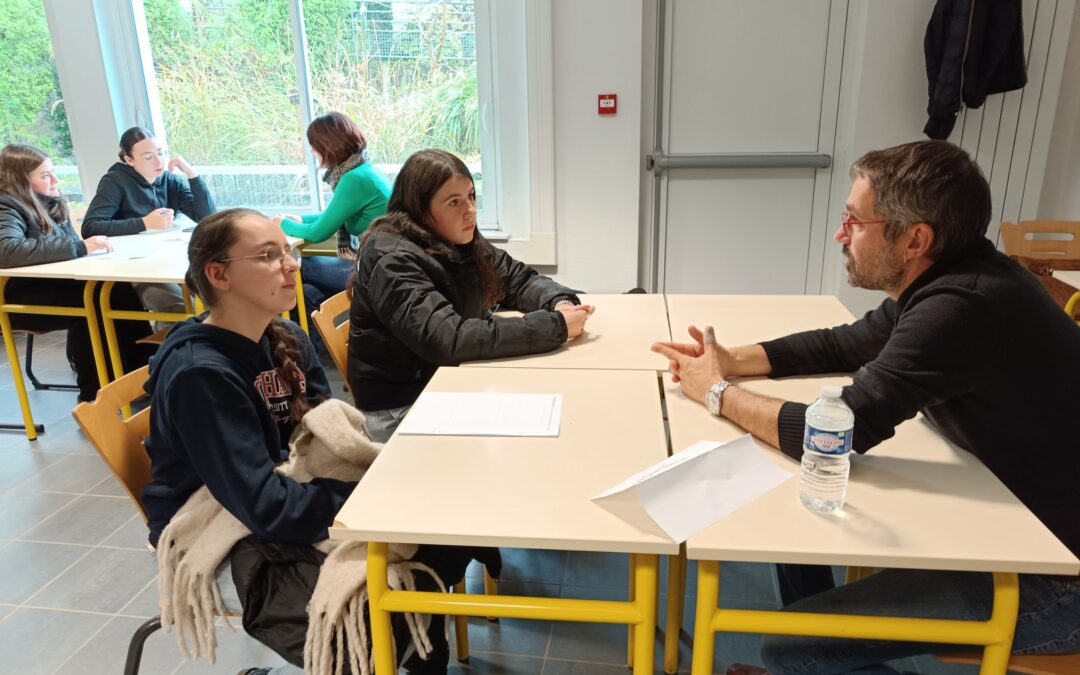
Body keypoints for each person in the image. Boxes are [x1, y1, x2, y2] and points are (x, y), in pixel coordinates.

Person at [652, 140, 1080, 675]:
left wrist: (715, 393)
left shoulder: (960, 308)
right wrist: (727, 360)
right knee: (789, 531)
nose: (841, 234)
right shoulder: (952, 275)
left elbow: (832, 435)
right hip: (1017, 522)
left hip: (1057, 580)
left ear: (914, 240)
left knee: (790, 647)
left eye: (854, 221)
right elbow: (847, 343)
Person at [143, 208, 470, 674]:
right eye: (268, 256)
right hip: (219, 516)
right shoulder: (201, 374)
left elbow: (318, 439)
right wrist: (367, 503)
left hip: (280, 489)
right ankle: (386, 654)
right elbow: (263, 505)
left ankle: (418, 657)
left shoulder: (287, 338)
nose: (291, 264)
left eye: (288, 252)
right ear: (219, 275)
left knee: (440, 536)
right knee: (398, 575)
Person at [348, 149, 592, 442]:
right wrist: (556, 326)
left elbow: (515, 278)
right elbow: (450, 339)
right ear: (418, 207)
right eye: (454, 202)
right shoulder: (392, 258)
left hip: (446, 379)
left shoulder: (454, 237)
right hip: (402, 407)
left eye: (472, 196)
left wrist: (560, 304)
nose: (471, 210)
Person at [0, 143, 154, 402]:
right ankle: (94, 397)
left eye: (53, 172)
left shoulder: (51, 202)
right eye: (45, 175)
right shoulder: (7, 205)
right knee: (93, 303)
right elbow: (7, 251)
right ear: (21, 180)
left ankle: (139, 378)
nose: (55, 179)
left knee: (117, 289)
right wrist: (79, 247)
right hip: (19, 296)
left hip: (53, 287)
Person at [83, 127, 216, 327]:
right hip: (133, 267)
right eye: (148, 157)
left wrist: (192, 174)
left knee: (217, 300)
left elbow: (207, 217)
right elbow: (91, 227)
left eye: (160, 153)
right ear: (129, 160)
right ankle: (171, 355)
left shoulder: (170, 180)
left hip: (168, 261)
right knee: (178, 307)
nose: (158, 161)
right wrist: (144, 223)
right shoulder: (115, 181)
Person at [271, 112, 392, 322]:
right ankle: (310, 354)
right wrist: (300, 220)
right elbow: (336, 214)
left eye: (314, 144)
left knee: (300, 265)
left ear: (327, 145)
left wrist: (282, 224)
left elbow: (319, 233)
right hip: (378, 265)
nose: (312, 150)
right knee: (308, 293)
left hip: (378, 273)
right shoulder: (363, 169)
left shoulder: (354, 179)